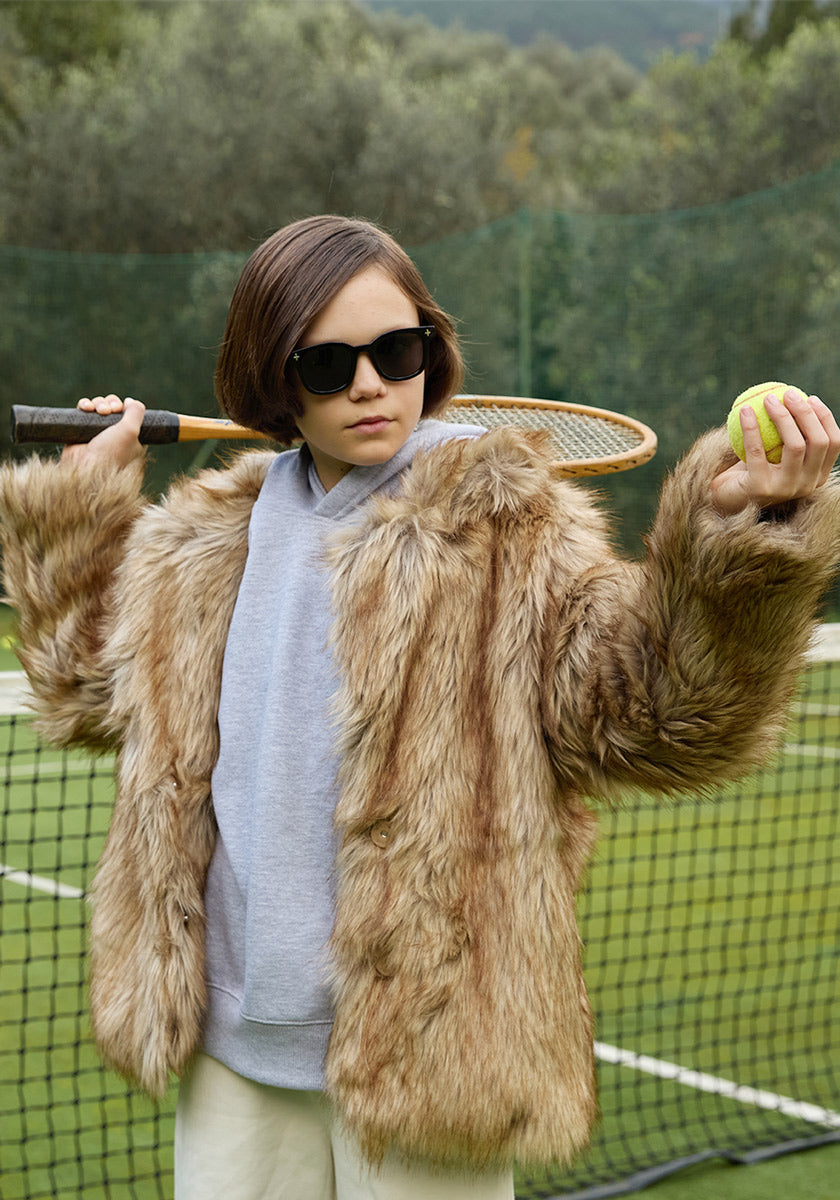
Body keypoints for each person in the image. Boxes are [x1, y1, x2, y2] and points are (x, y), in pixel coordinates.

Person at [2, 215, 840, 1200]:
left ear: (429, 355)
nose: (367, 384)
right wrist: (77, 512)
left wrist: (746, 537)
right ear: (274, 381)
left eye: (395, 353)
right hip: (231, 1047)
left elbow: (658, 715)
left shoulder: (503, 525)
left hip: (432, 1050)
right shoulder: (205, 543)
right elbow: (82, 694)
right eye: (326, 364)